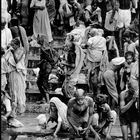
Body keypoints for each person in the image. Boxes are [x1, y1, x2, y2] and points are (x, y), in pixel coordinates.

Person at [5, 37, 26, 117]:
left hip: (18, 72)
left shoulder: (21, 50)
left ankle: (20, 109)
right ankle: (14, 110)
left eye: (13, 45)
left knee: (19, 91)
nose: (12, 46)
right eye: (11, 45)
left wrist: (13, 52)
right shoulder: (11, 50)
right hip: (12, 72)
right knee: (13, 91)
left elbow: (17, 60)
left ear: (17, 45)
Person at [36, 34, 56, 104]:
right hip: (45, 67)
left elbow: (48, 58)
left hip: (45, 68)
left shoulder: (44, 49)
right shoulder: (47, 48)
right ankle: (44, 98)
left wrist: (39, 63)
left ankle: (47, 101)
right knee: (39, 82)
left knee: (44, 83)